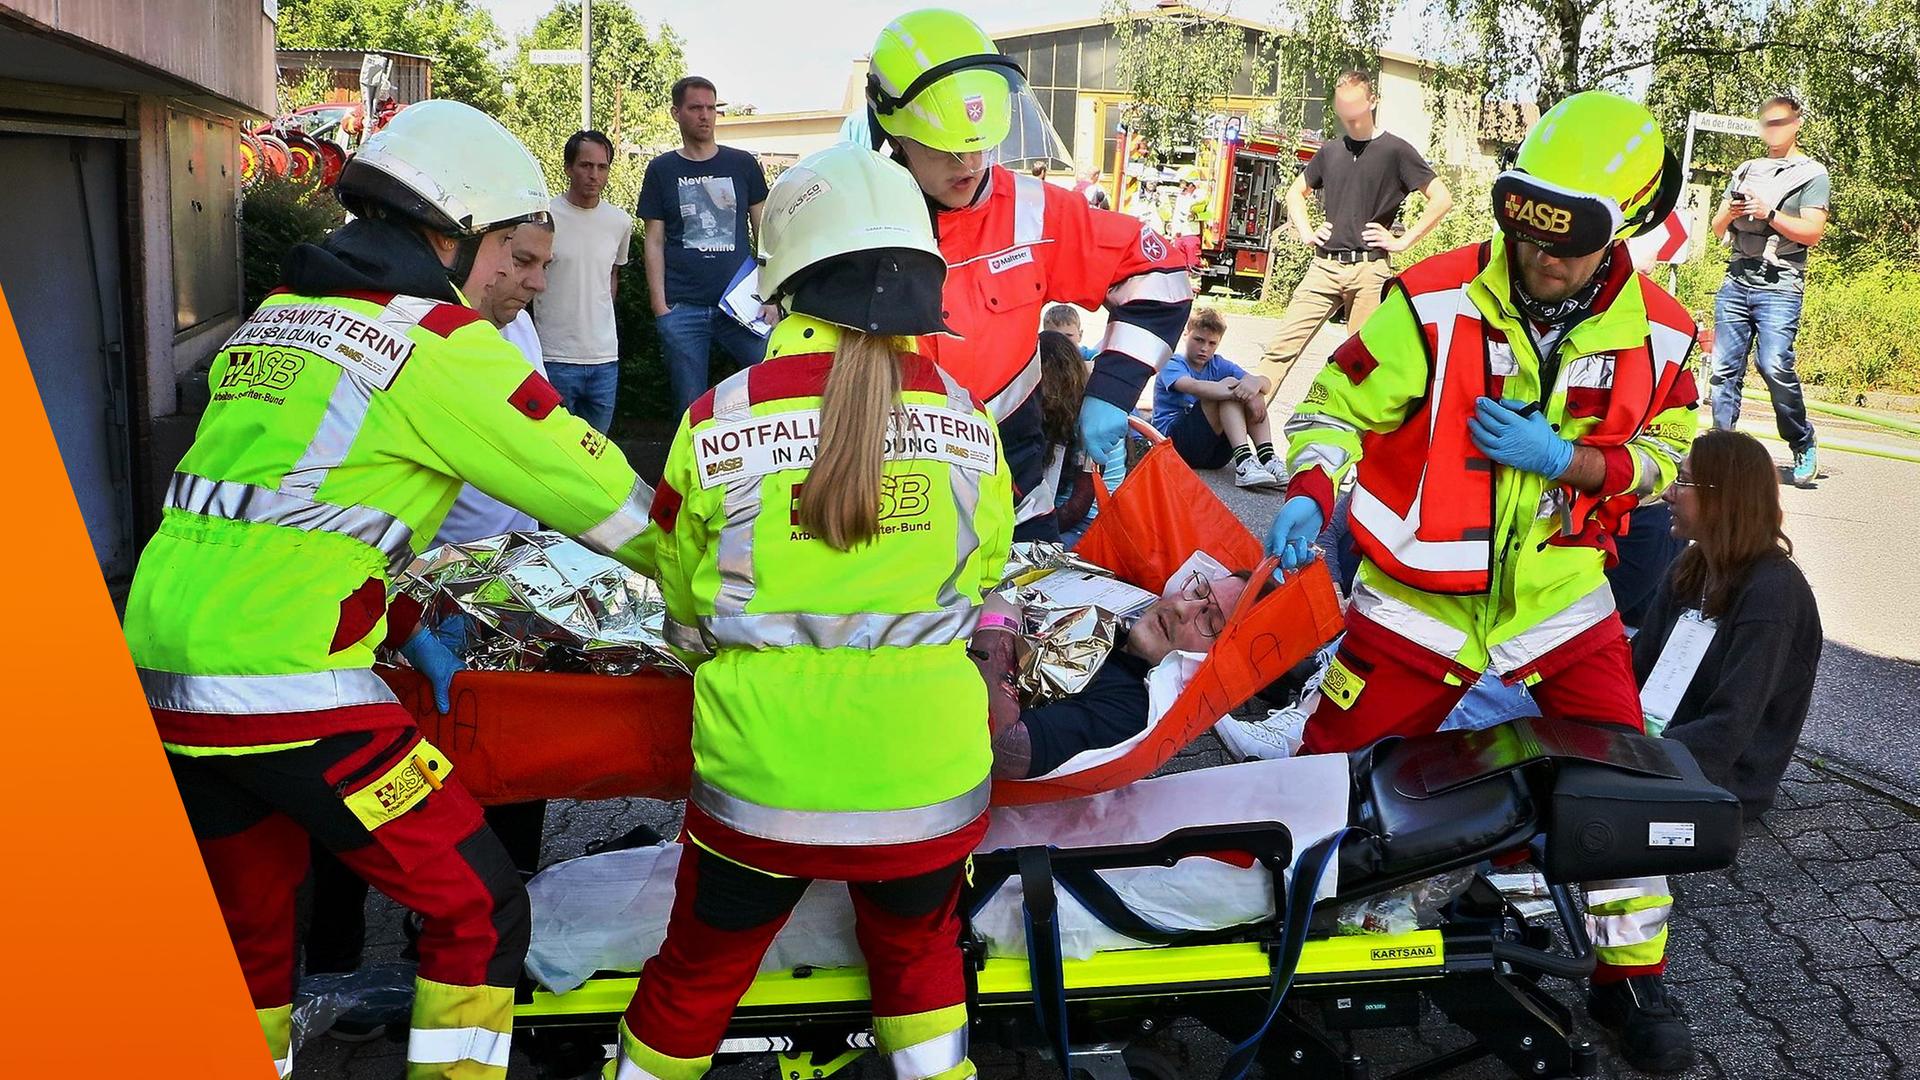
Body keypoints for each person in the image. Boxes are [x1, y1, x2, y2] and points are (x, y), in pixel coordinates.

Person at [122, 101, 663, 1080]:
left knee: (252, 925)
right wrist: (750, 582)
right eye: (511, 249)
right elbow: (614, 505)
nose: (517, 277)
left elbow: (282, 517)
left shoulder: (280, 319)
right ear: (456, 233)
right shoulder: (442, 349)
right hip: (284, 686)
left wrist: (405, 620)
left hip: (161, 675)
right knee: (475, 907)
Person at [1266, 91, 1700, 1072]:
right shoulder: (1432, 301)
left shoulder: (1666, 333)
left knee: (1624, 792)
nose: (1542, 257)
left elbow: (1673, 451)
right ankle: (1312, 958)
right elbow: (1332, 408)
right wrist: (1306, 489)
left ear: (1623, 226)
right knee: (1323, 785)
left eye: (1570, 239)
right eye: (1527, 225)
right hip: (1418, 606)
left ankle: (1630, 978)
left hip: (1559, 609)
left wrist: (1583, 464)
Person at [605, 142, 1012, 1080]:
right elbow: (984, 569)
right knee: (919, 970)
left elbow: (679, 580)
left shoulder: (716, 418)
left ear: (783, 275)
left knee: (695, 979)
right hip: (929, 784)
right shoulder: (967, 419)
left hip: (763, 783)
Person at [301, 219, 561, 1020]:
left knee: (509, 750)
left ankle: (472, 926)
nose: (535, 283)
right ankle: (339, 967)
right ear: (459, 246)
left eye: (544, 266)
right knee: (363, 780)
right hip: (404, 589)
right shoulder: (411, 339)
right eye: (521, 261)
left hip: (500, 581)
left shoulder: (511, 331)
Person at [856, 7, 1193, 541]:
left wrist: (1113, 388)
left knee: (1017, 621)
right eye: (944, 149)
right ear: (894, 133)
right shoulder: (852, 220)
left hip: (1013, 494)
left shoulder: (1035, 211)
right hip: (887, 497)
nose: (968, 163)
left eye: (979, 142)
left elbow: (1159, 275)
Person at [1634, 430, 1821, 815]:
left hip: (1724, 782)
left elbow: (1730, 728)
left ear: (1723, 496)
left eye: (1683, 481)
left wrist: (1633, 753)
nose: (1668, 493)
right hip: (1662, 748)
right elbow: (1637, 664)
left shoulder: (1773, 593)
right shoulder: (1691, 566)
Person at [1253, 71, 1454, 399]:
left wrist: (1402, 242)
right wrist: (1307, 232)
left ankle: (1359, 443)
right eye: (1342, 105)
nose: (1349, 113)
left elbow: (1442, 198)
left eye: (1355, 104)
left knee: (1364, 363)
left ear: (1372, 101)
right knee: (1278, 351)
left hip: (1368, 271)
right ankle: (1242, 438)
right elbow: (1294, 193)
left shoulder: (1396, 151)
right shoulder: (1330, 151)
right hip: (1323, 267)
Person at [976, 569, 1251, 779]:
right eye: (1198, 591)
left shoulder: (1130, 707)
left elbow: (1001, 748)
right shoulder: (1118, 610)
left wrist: (996, 625)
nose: (1181, 608)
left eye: (1209, 622)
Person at [1707, 94, 1831, 487]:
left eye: (1780, 122)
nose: (1772, 129)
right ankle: (1720, 453)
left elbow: (1812, 232)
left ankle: (1801, 441)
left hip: (1780, 283)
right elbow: (1716, 229)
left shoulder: (1812, 174)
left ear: (1796, 124)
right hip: (1736, 278)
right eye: (1766, 122)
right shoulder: (1746, 170)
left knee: (1774, 364)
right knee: (1724, 370)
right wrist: (1734, 210)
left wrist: (1769, 214)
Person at [638, 76, 775, 415]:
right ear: (676, 113)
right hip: (683, 308)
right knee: (691, 409)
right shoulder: (661, 169)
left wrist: (772, 295)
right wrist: (661, 308)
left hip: (743, 306)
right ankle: (689, 469)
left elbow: (767, 233)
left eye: (711, 108)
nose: (705, 115)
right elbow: (653, 241)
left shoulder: (742, 164)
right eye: (695, 107)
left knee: (770, 388)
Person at [533, 129, 632, 433]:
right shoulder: (544, 217)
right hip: (553, 355)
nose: (594, 175)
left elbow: (612, 275)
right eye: (585, 166)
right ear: (568, 168)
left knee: (597, 455)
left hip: (604, 358)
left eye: (602, 167)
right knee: (552, 451)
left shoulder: (620, 222)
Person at [1152, 307, 1280, 487]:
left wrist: (1256, 386)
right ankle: (1243, 462)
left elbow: (1264, 383)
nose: (1204, 348)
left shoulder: (1218, 364)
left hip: (1216, 455)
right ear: (1185, 334)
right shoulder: (1172, 363)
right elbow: (1192, 386)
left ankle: (1267, 458)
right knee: (1228, 387)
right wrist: (1244, 392)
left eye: (1212, 343)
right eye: (1198, 340)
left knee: (1249, 387)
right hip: (1175, 446)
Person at [1037, 330, 1096, 544]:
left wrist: (1030, 529)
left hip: (1088, 527)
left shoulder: (1089, 422)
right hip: (1058, 516)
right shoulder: (1061, 413)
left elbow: (1079, 506)